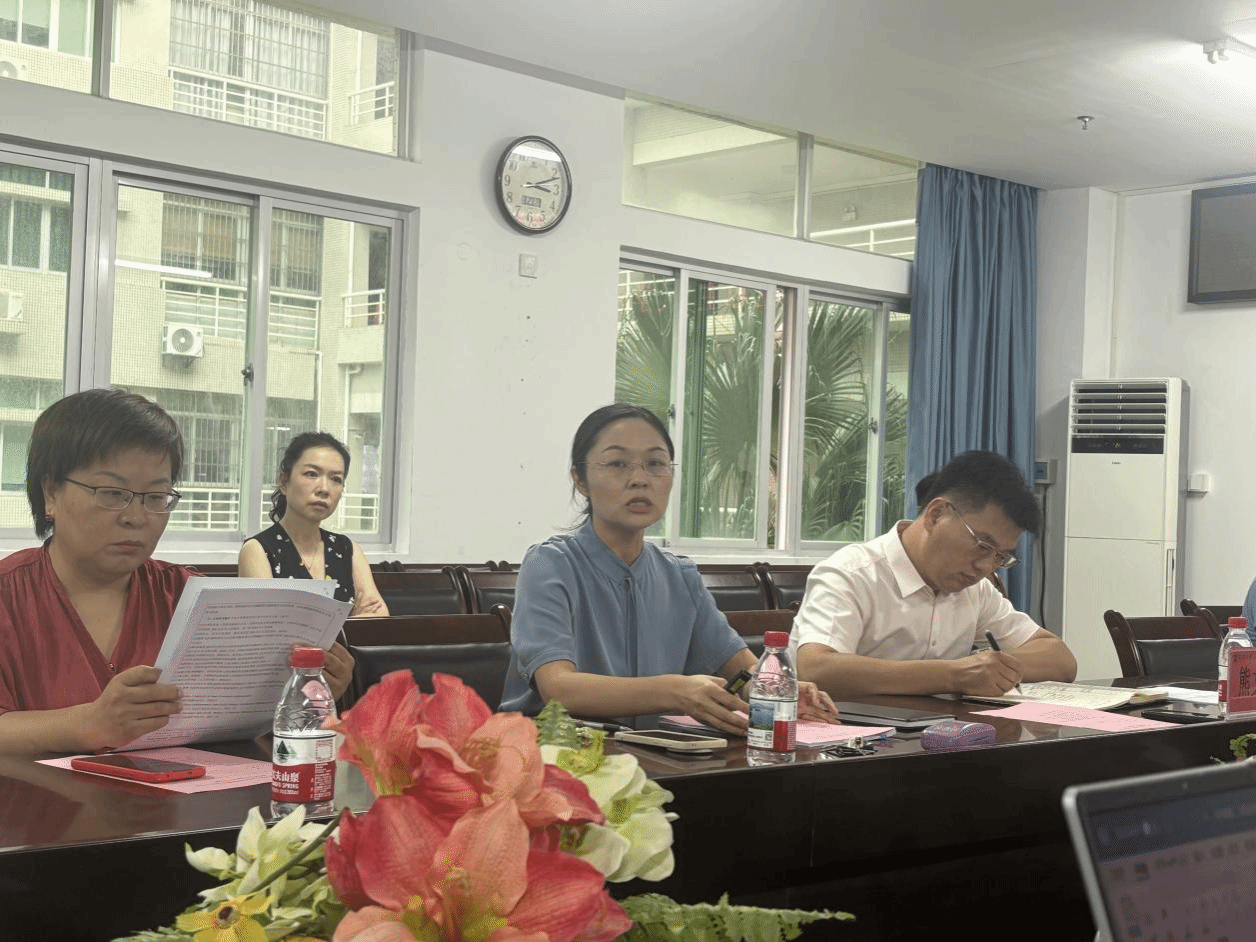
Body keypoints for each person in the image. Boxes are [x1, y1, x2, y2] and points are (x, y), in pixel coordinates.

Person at [0, 390, 356, 755]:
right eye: (112, 493)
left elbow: (240, 724)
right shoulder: (8, 596)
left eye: (156, 497)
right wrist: (88, 724)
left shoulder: (192, 598)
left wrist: (308, 688)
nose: (136, 517)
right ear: (51, 493)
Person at [499, 403, 838, 734]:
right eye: (617, 463)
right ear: (580, 479)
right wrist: (675, 691)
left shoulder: (680, 576)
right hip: (554, 756)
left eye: (655, 464)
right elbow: (558, 688)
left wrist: (777, 690)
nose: (639, 479)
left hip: (653, 757)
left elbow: (744, 672)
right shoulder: (550, 564)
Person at [794, 450, 1076, 700]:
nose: (986, 567)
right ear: (936, 514)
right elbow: (816, 668)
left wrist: (994, 667)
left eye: (1000, 556)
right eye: (982, 545)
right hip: (851, 737)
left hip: (943, 736)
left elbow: (1059, 659)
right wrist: (955, 675)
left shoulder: (975, 590)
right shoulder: (852, 573)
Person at [238, 432, 388, 618]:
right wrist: (348, 619)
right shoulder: (258, 550)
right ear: (283, 482)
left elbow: (379, 614)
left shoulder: (348, 550)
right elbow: (270, 626)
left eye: (336, 479)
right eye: (312, 474)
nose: (324, 489)